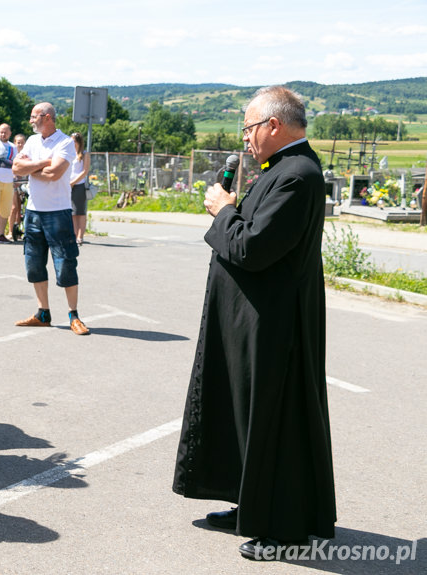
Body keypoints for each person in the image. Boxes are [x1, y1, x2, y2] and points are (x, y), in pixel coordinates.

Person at [172, 86, 335, 560]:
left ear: (273, 126)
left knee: (273, 421)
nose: (245, 138)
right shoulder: (279, 170)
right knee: (245, 415)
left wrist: (223, 209)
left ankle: (282, 528)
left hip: (273, 325)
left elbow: (252, 248)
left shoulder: (297, 176)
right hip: (250, 319)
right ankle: (251, 507)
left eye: (249, 127)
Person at [12, 103, 89, 336]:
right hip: (34, 212)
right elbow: (16, 167)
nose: (30, 121)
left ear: (47, 117)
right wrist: (45, 162)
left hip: (58, 212)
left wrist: (32, 168)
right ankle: (42, 313)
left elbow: (55, 174)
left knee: (65, 262)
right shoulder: (33, 142)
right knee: (34, 264)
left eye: (33, 117)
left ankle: (73, 315)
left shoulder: (65, 142)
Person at [69, 132, 90, 245]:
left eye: (74, 141)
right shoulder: (69, 153)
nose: (72, 143)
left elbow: (84, 171)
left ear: (78, 142)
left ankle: (80, 236)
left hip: (78, 185)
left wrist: (73, 182)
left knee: (80, 212)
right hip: (68, 185)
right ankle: (74, 234)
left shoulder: (84, 154)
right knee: (72, 212)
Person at [9, 133, 27, 242]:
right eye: (17, 142)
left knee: (21, 208)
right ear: (14, 143)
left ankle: (18, 230)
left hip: (24, 182)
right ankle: (11, 231)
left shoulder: (26, 155)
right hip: (14, 183)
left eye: (21, 142)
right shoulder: (12, 155)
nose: (19, 144)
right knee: (14, 208)